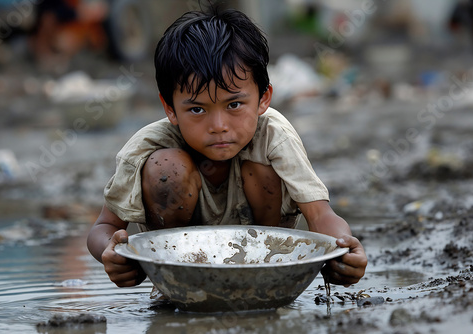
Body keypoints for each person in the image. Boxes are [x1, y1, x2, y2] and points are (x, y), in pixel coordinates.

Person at [87, 6, 367, 289]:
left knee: (262, 171)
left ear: (263, 98)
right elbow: (104, 228)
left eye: (234, 105)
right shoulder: (146, 147)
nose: (218, 125)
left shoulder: (275, 136)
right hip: (180, 277)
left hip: (266, 269)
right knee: (166, 168)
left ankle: (262, 275)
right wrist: (113, 254)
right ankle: (176, 282)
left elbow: (320, 215)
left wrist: (343, 249)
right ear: (170, 109)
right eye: (197, 109)